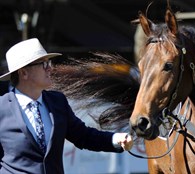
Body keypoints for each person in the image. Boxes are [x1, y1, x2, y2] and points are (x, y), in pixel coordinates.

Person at [0, 38, 133, 174]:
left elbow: (83, 136)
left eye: (49, 63)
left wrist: (115, 139)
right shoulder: (2, 107)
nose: (50, 68)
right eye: (43, 64)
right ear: (24, 73)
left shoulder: (57, 101)